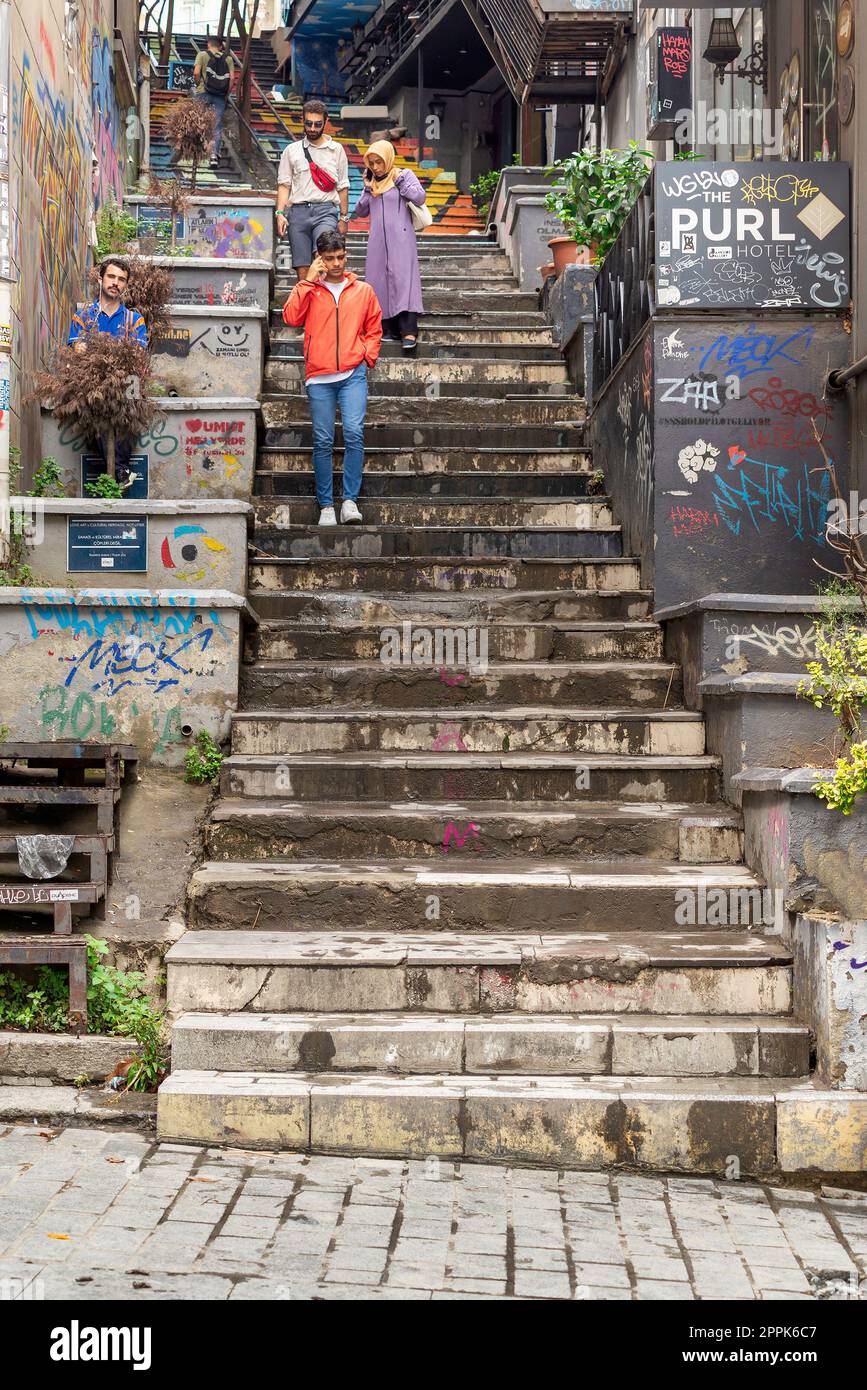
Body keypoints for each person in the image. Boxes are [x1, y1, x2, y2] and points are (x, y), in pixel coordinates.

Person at [283, 229, 382, 526]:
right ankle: (326, 506)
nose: (336, 263)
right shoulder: (310, 289)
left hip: (353, 374)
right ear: (319, 258)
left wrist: (367, 355)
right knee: (323, 441)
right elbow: (290, 317)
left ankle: (349, 502)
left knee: (354, 433)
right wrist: (308, 279)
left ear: (346, 256)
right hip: (320, 377)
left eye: (340, 257)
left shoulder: (363, 291)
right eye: (329, 258)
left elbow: (374, 327)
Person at [67, 257, 148, 480]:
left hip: (128, 381)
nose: (116, 282)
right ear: (101, 279)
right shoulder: (83, 316)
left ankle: (117, 469)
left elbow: (137, 358)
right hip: (92, 380)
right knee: (99, 398)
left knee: (133, 392)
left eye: (122, 279)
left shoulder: (135, 320)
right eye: (111, 276)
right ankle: (120, 471)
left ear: (126, 285)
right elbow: (79, 352)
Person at [353, 140, 426, 350]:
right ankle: (387, 329)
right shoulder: (371, 182)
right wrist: (367, 189)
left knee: (404, 281)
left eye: (379, 162)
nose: (375, 167)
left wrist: (400, 182)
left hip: (402, 239)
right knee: (378, 282)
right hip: (377, 241)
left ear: (388, 159)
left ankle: (409, 331)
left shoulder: (404, 175)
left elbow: (420, 197)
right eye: (372, 163)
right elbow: (360, 211)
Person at [275, 100, 350, 281]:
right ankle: (306, 308)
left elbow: (343, 186)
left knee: (323, 261)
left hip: (325, 211)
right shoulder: (291, 151)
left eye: (317, 124)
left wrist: (344, 218)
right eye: (308, 123)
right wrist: (279, 213)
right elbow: (284, 184)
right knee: (303, 271)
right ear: (303, 120)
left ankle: (324, 308)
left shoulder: (336, 150)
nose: (313, 128)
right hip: (298, 213)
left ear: (326, 122)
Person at [193, 33, 235, 165]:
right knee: (216, 125)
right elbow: (232, 79)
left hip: (203, 92)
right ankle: (213, 156)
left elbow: (196, 73)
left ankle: (198, 149)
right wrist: (226, 94)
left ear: (208, 44)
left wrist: (199, 84)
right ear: (220, 46)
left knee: (199, 119)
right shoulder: (228, 58)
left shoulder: (202, 55)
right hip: (220, 96)